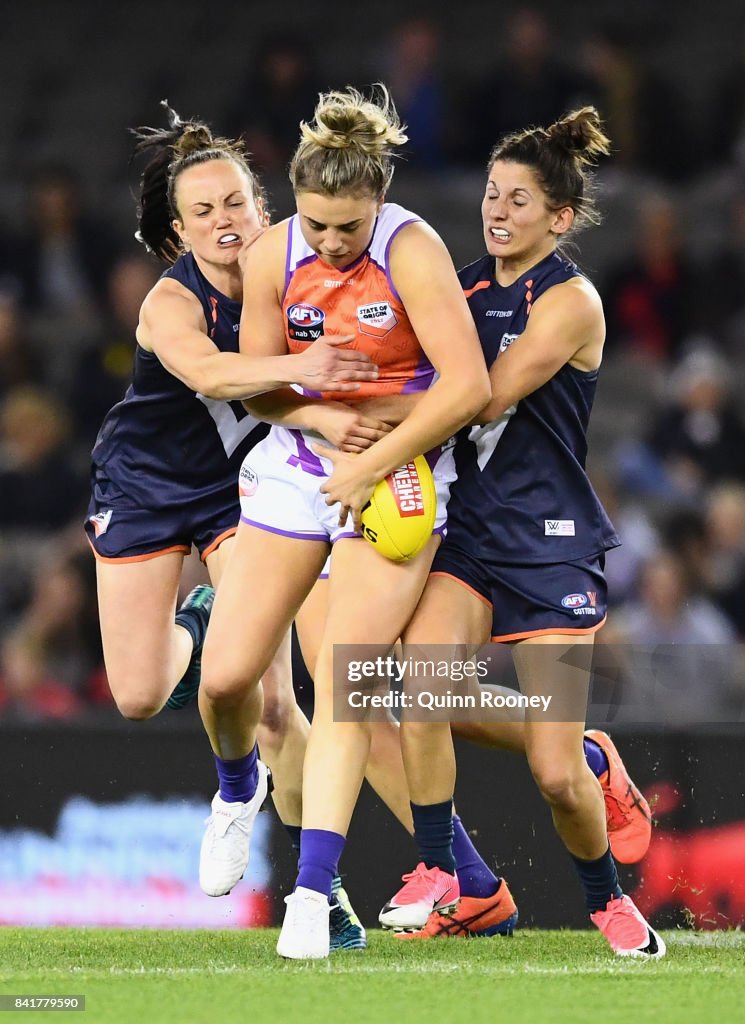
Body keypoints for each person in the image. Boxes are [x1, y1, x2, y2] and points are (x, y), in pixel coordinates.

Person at [196, 84, 491, 960]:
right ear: (296, 202)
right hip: (299, 467)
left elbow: (468, 387)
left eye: (347, 228)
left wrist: (373, 454)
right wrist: (321, 418)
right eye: (318, 225)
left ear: (379, 199)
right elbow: (258, 380)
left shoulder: (412, 248)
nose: (331, 242)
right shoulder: (271, 255)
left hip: (398, 471)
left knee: (347, 678)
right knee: (224, 681)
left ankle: (310, 896)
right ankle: (233, 785)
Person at [83, 104, 380, 949]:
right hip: (145, 483)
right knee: (138, 695)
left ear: (263, 206)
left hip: (248, 489)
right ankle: (205, 624)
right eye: (204, 211)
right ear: (179, 230)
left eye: (236, 205)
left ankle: (324, 895)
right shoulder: (166, 304)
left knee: (279, 707)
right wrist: (303, 369)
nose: (224, 221)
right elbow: (212, 373)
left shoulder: (297, 262)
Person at [384, 107, 666, 958]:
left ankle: (604, 895)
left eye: (517, 199)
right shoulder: (462, 287)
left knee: (552, 776)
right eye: (489, 194)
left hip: (548, 542)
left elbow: (483, 396)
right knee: (414, 690)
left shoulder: (571, 302)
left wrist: (359, 431)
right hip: (466, 532)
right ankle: (443, 874)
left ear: (559, 218)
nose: (496, 211)